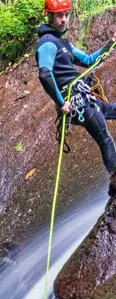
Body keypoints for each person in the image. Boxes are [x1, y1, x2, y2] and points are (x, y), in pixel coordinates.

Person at [35, 0, 116, 174]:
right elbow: (45, 74)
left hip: (84, 98)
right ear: (49, 16)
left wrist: (111, 43)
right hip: (75, 102)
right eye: (59, 15)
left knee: (110, 110)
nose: (64, 19)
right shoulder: (47, 43)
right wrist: (61, 102)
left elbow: (89, 61)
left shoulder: (63, 44)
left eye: (66, 15)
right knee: (105, 140)